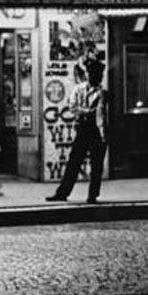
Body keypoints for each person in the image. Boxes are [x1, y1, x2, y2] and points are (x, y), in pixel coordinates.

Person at [46, 57, 108, 204]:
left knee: (96, 165)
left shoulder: (102, 93)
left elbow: (99, 115)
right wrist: (87, 111)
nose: (94, 77)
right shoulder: (78, 89)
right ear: (88, 74)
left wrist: (103, 135)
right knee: (74, 161)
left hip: (97, 130)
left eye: (97, 74)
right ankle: (63, 193)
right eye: (92, 73)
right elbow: (73, 107)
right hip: (84, 129)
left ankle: (92, 195)